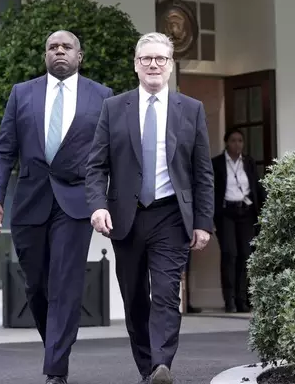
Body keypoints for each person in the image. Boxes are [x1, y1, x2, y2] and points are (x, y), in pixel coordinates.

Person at [0, 30, 113, 384]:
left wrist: (105, 202)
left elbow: (108, 155)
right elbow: (3, 150)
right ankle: (55, 347)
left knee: (65, 285)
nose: (59, 51)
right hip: (30, 202)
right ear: (45, 55)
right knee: (36, 287)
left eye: (66, 47)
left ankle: (56, 369)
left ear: (79, 56)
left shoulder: (101, 96)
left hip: (75, 204)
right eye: (52, 47)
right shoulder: (21, 94)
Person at [85, 32, 214, 384]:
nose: (153, 64)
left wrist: (203, 222)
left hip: (171, 215)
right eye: (146, 59)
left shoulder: (191, 109)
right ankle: (148, 368)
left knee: (167, 291)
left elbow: (202, 171)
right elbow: (96, 165)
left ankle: (162, 364)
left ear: (170, 66)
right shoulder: (114, 108)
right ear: (136, 65)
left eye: (160, 59)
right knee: (134, 296)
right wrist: (97, 205)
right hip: (125, 217)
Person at [212, 128, 266, 313]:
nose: (237, 144)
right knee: (230, 254)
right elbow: (210, 191)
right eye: (234, 140)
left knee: (246, 255)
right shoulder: (217, 163)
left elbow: (257, 187)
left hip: (246, 212)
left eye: (240, 140)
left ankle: (243, 299)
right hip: (226, 212)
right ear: (227, 142)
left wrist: (265, 210)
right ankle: (230, 300)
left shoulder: (249, 162)